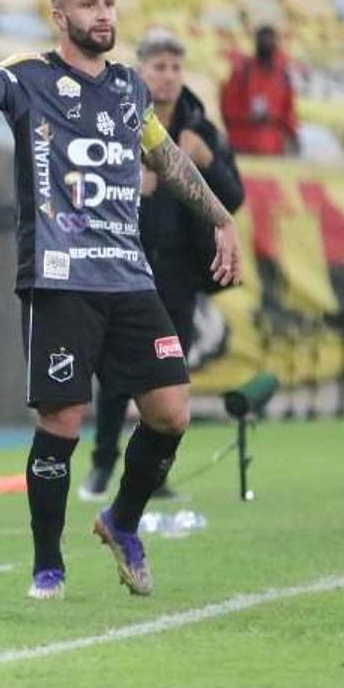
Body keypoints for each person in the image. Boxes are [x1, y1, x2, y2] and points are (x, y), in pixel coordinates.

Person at [0, 0, 242, 602]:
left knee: (170, 412)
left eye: (109, 2)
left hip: (129, 278)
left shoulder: (131, 90)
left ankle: (121, 523)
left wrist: (221, 219)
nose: (103, 14)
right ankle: (47, 562)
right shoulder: (30, 79)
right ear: (61, 17)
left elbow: (165, 157)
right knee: (63, 419)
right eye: (88, 5)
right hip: (59, 279)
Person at [81, 29, 244, 501]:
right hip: (121, 264)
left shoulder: (200, 129)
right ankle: (102, 465)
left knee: (169, 379)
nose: (168, 77)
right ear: (140, 70)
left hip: (177, 275)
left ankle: (156, 474)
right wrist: (134, 185)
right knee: (114, 376)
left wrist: (207, 161)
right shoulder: (113, 120)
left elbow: (232, 199)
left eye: (175, 67)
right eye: (159, 67)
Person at [220, 24, 298, 156]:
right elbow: (227, 107)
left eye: (270, 40)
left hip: (273, 147)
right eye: (263, 39)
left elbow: (288, 110)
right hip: (243, 144)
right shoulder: (242, 71)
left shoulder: (282, 75)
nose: (266, 43)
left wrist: (293, 135)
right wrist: (247, 117)